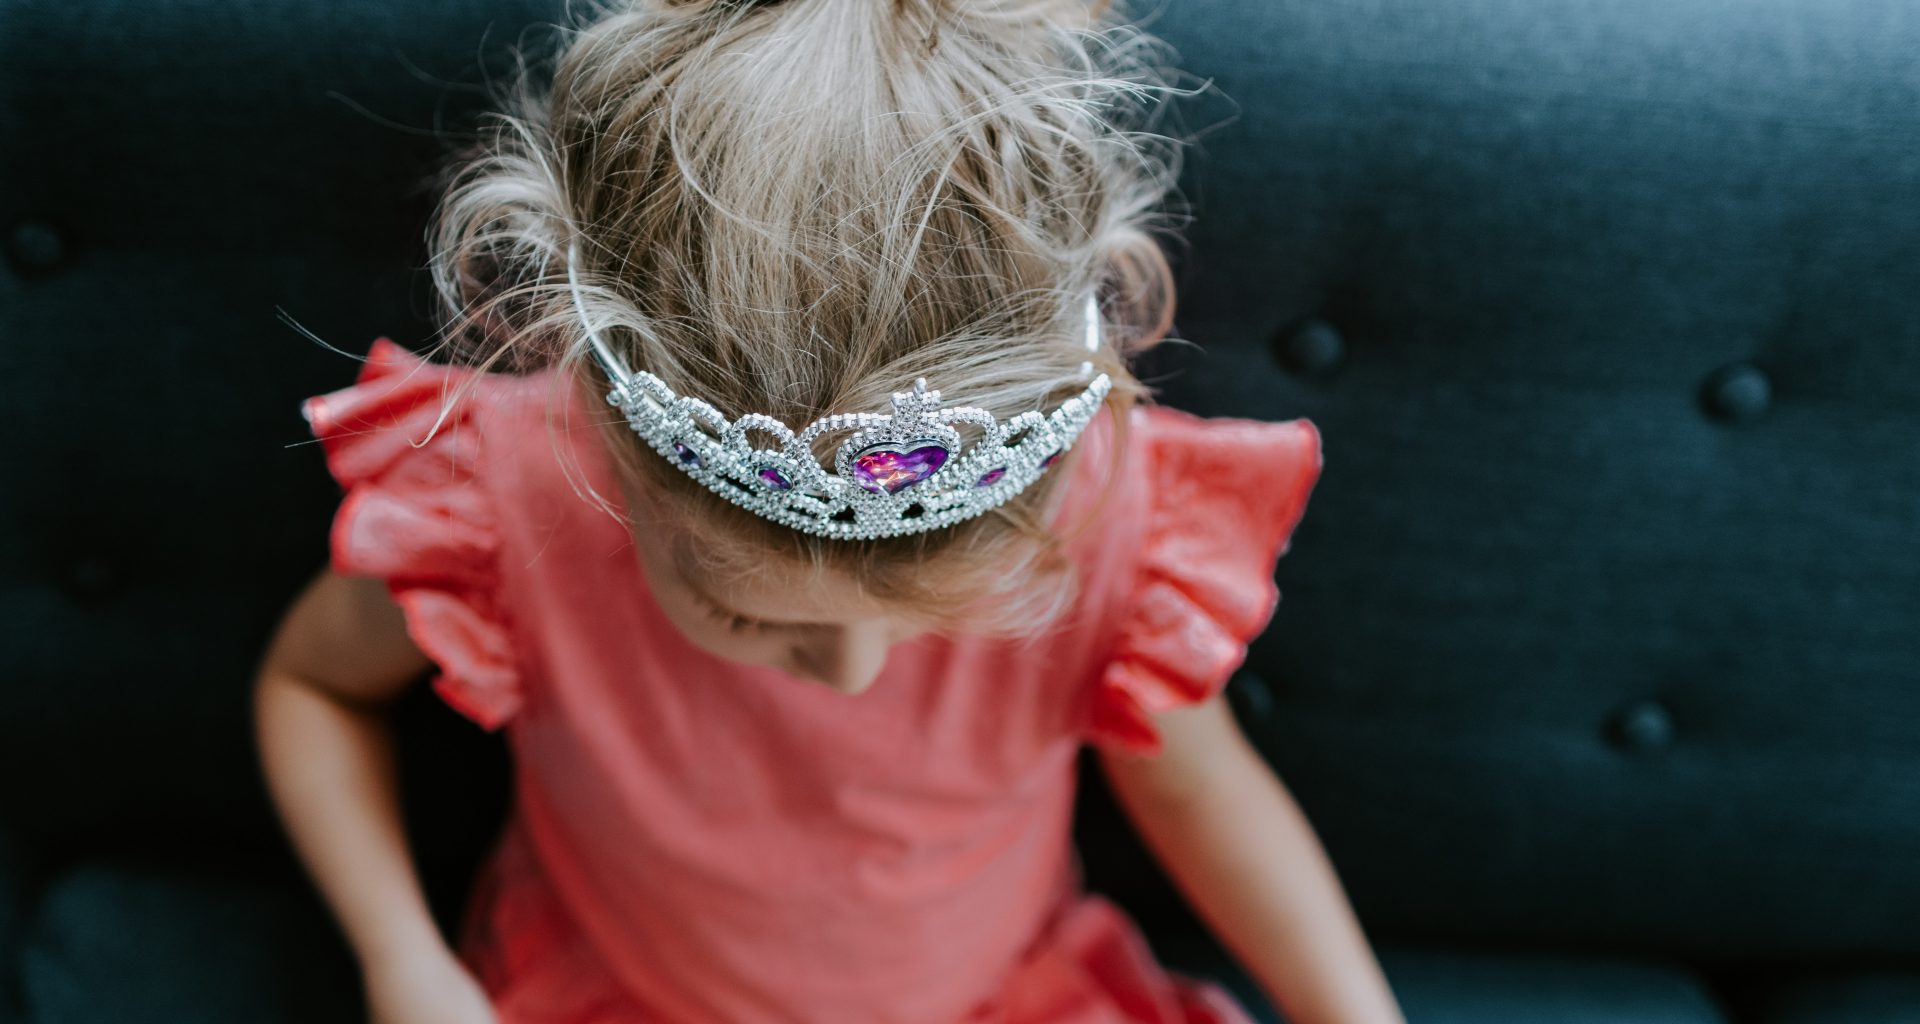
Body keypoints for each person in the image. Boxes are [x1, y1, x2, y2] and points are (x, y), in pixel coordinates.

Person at [253, 0, 1407, 1021]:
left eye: (926, 616)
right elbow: (314, 686)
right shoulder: (509, 495)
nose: (853, 674)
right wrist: (401, 958)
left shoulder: (1099, 516)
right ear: (612, 451)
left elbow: (1199, 782)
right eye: (747, 614)